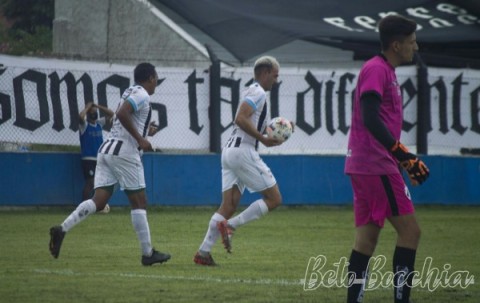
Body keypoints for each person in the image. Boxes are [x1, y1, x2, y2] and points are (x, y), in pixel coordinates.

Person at [344, 15, 429, 303]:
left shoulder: (385, 70)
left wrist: (402, 157)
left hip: (365, 165)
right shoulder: (376, 70)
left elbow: (377, 120)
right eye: (411, 42)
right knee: (411, 232)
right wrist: (404, 156)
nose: (415, 47)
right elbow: (370, 118)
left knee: (366, 240)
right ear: (396, 44)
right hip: (376, 165)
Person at [49, 62, 170, 266]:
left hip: (106, 150)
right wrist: (140, 140)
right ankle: (147, 254)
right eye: (156, 78)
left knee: (98, 201)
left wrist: (145, 131)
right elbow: (121, 114)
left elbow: (121, 120)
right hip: (125, 153)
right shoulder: (142, 94)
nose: (156, 82)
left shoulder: (129, 91)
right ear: (150, 77)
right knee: (140, 202)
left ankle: (62, 229)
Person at [193, 56, 290, 266]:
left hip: (230, 150)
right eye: (275, 76)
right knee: (274, 199)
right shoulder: (257, 92)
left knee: (228, 205)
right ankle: (231, 226)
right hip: (243, 151)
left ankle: (203, 253)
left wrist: (281, 129)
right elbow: (240, 118)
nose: (276, 80)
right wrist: (263, 138)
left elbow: (248, 121)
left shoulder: (251, 90)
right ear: (264, 73)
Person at [78, 102, 114, 210]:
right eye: (92, 112)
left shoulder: (99, 124)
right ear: (88, 114)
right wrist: (88, 107)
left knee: (99, 184)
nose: (94, 114)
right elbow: (80, 117)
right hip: (88, 158)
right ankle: (83, 208)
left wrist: (98, 106)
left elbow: (112, 114)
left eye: (95, 112)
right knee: (90, 182)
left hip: (99, 158)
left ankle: (95, 206)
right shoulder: (84, 126)